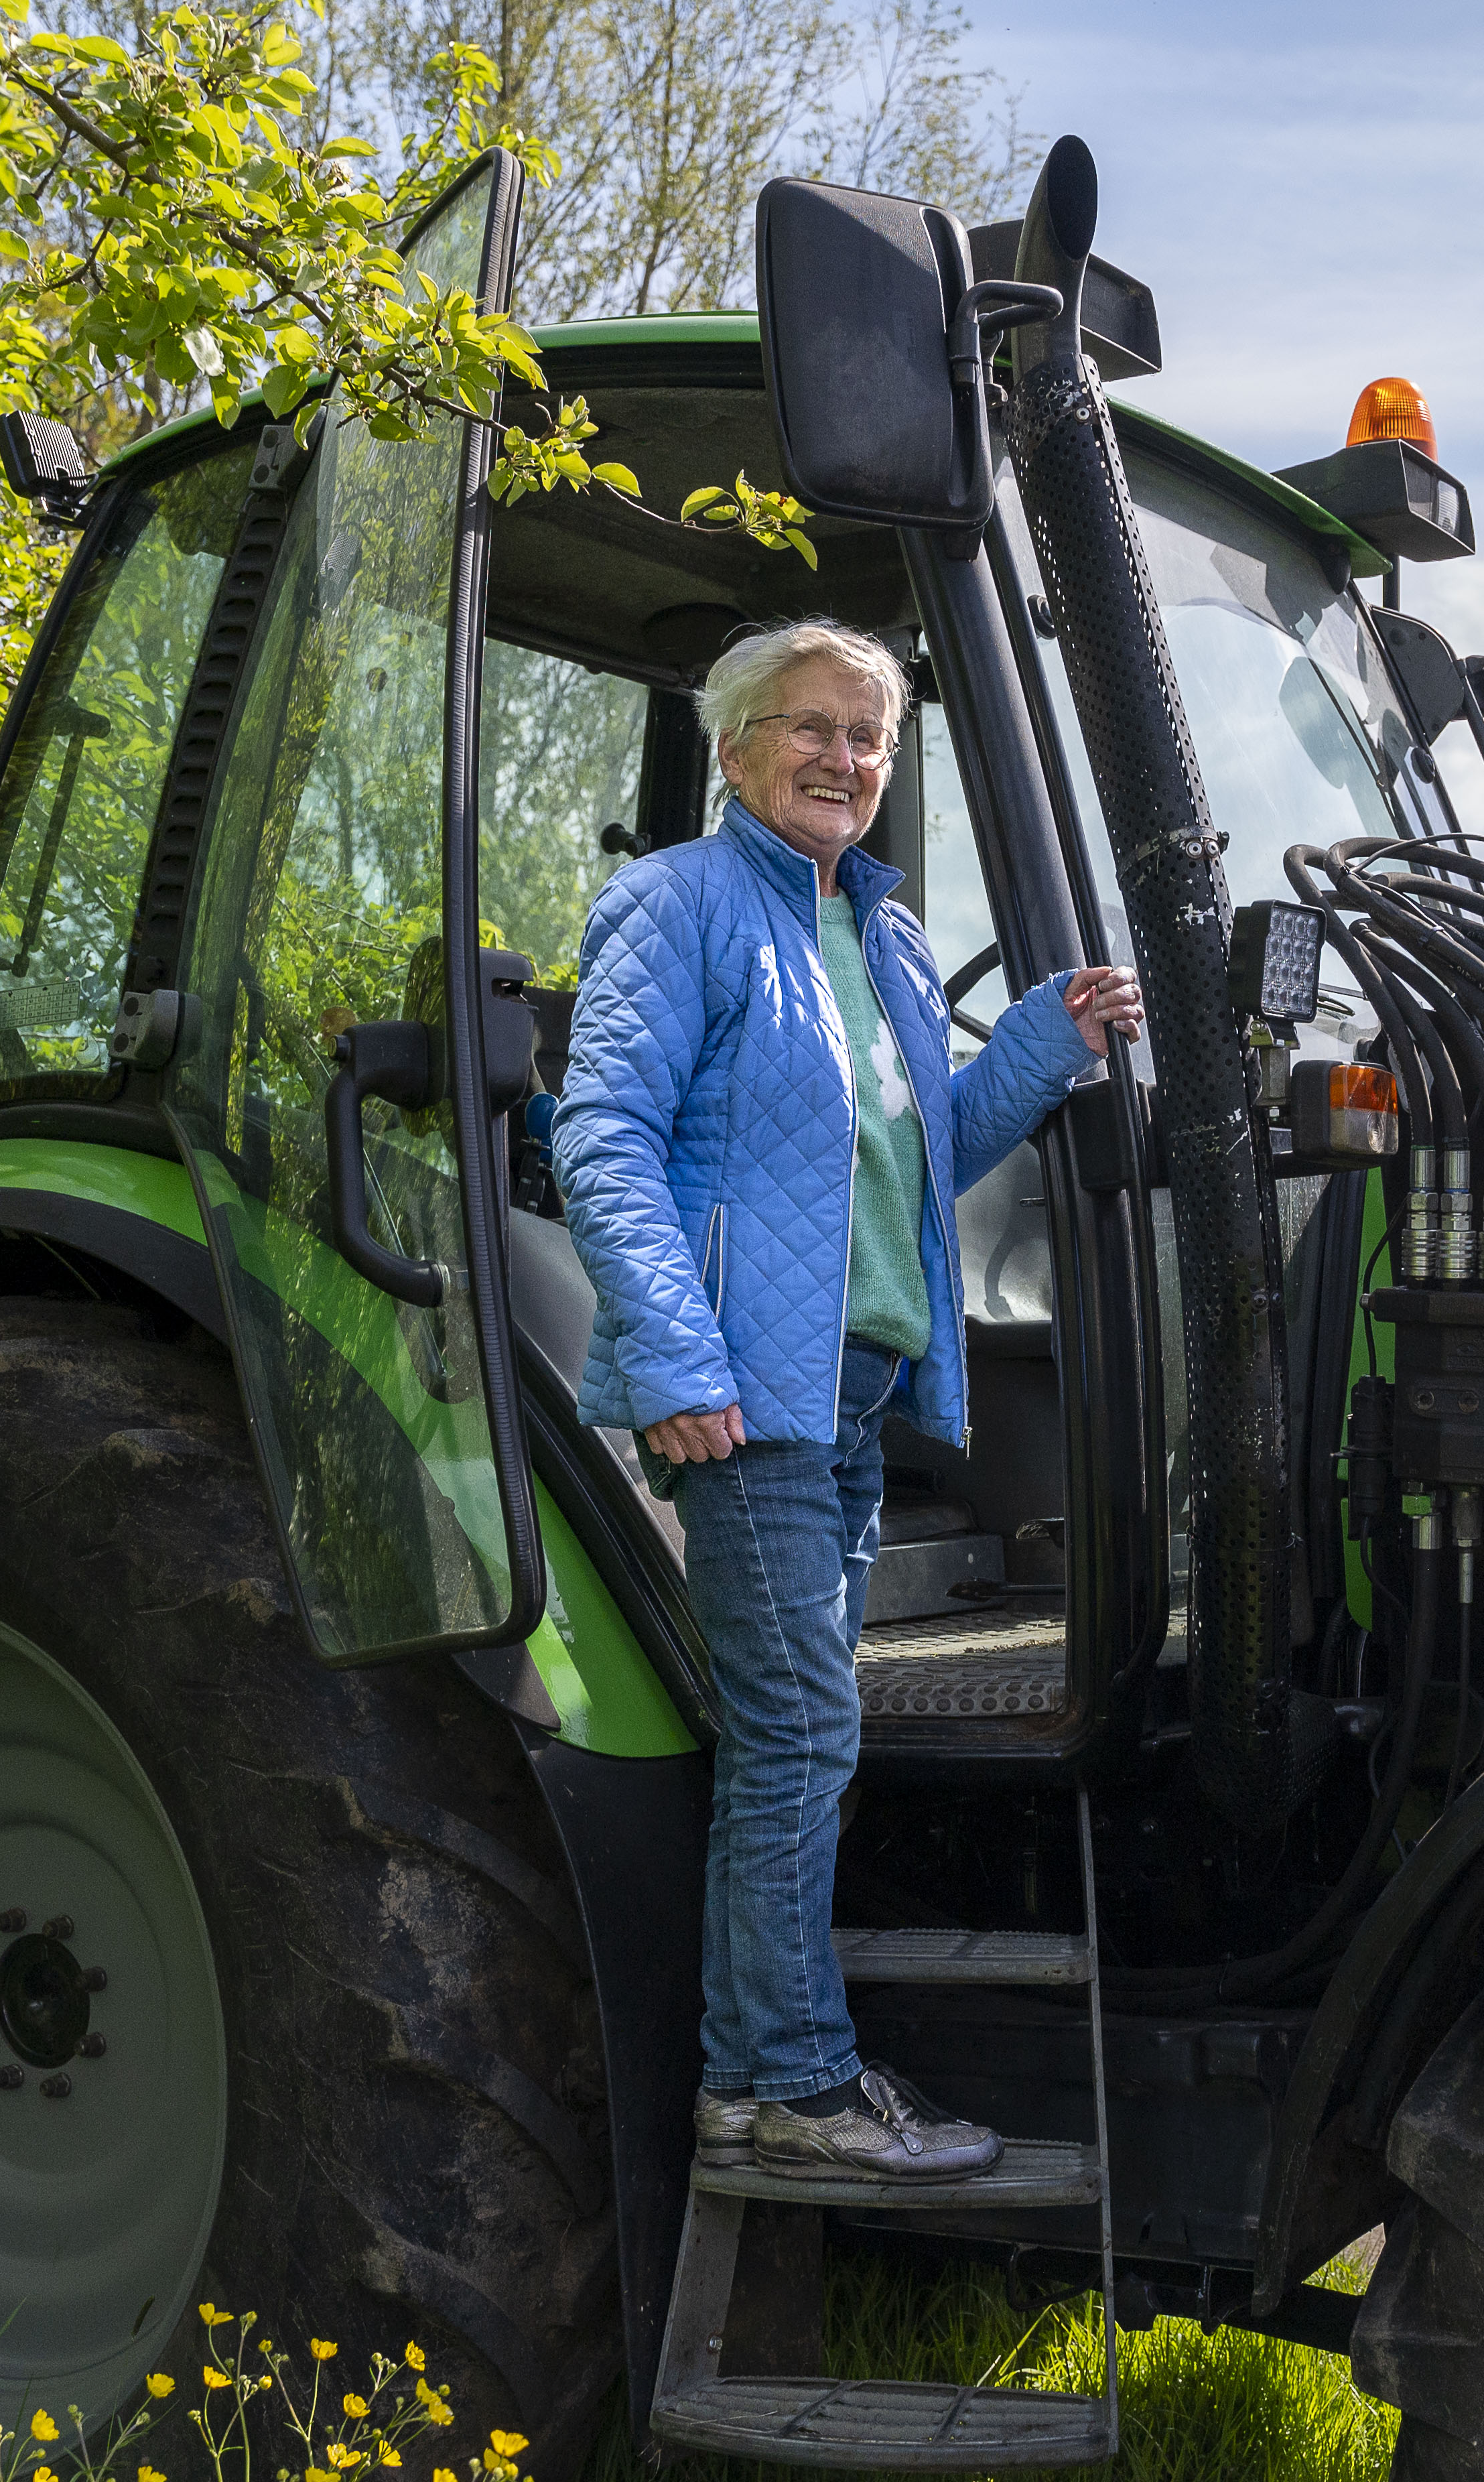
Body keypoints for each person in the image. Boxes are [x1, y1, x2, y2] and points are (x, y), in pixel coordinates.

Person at [552, 618, 1142, 2182]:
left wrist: (1050, 1037)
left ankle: (778, 2068)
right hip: (744, 1399)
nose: (844, 759)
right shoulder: (674, 906)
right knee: (801, 1726)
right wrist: (678, 1365)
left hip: (852, 1391)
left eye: (870, 738)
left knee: (805, 1732)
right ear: (737, 743)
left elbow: (924, 1146)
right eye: (810, 727)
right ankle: (782, 2084)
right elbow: (600, 1135)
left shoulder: (874, 934)